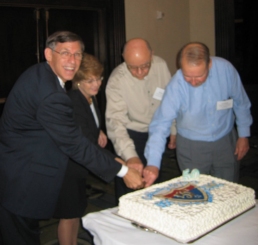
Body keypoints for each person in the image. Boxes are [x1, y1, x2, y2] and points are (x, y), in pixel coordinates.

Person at [0, 31, 144, 245]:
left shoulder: (40, 72)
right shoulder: (52, 95)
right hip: (21, 180)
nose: (72, 61)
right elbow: (76, 144)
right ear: (49, 54)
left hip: (16, 166)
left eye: (77, 54)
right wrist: (123, 171)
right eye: (65, 53)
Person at [144, 42, 252, 187]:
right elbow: (160, 124)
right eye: (187, 76)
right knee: (196, 194)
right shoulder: (177, 84)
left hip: (225, 141)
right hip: (191, 146)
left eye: (199, 76)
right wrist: (153, 163)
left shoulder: (225, 69)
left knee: (228, 191)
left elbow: (241, 102)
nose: (193, 82)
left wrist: (244, 135)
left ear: (210, 65)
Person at [105, 38, 176, 200]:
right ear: (124, 59)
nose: (139, 72)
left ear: (152, 55)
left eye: (144, 66)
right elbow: (116, 123)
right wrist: (130, 155)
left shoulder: (160, 66)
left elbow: (169, 101)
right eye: (133, 67)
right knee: (130, 189)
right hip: (131, 135)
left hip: (158, 132)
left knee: (156, 186)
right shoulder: (117, 79)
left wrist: (173, 128)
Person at [53, 53, 108, 245]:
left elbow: (88, 124)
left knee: (76, 211)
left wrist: (98, 130)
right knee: (69, 215)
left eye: (98, 78)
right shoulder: (74, 101)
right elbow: (80, 137)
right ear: (78, 81)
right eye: (89, 80)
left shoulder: (89, 97)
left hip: (77, 167)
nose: (96, 84)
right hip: (67, 167)